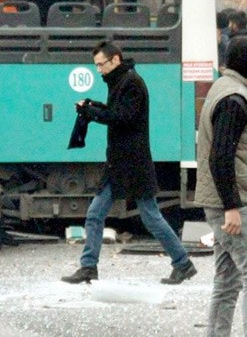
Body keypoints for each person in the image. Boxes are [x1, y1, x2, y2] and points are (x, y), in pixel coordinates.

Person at [62, 41, 196, 285]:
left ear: (115, 60)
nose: (98, 70)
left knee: (150, 217)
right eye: (96, 66)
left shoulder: (131, 83)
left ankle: (183, 263)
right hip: (121, 162)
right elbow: (117, 112)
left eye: (101, 65)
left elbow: (123, 118)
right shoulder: (122, 81)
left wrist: (92, 113)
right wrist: (93, 107)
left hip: (132, 163)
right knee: (96, 214)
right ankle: (88, 266)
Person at [195, 37, 247, 336]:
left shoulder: (223, 88)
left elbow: (235, 156)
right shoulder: (236, 100)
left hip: (228, 199)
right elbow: (221, 157)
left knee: (227, 282)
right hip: (227, 205)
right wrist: (231, 206)